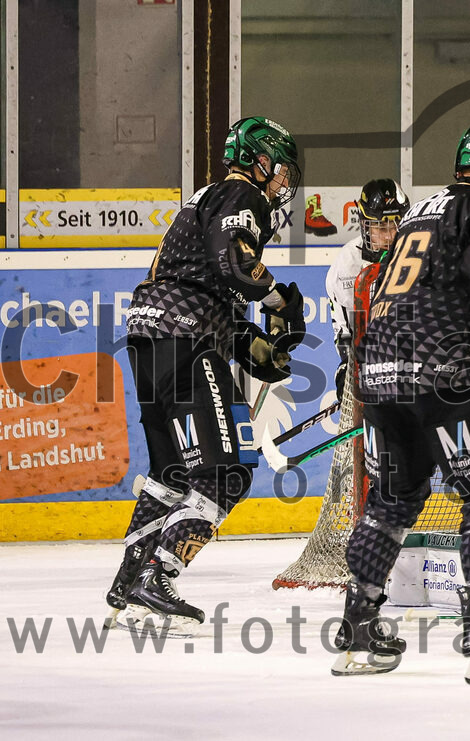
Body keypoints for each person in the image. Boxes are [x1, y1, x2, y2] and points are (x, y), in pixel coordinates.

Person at [332, 122, 470, 684]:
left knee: (392, 498)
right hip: (442, 368)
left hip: (377, 370)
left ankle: (358, 630)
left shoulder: (422, 208)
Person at [105, 116, 307, 634]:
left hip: (150, 333)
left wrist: (250, 343)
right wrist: (279, 298)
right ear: (260, 162)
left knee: (172, 471)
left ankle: (128, 582)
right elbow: (232, 263)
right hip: (185, 335)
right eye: (281, 172)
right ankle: (159, 571)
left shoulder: (206, 196)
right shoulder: (243, 196)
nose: (282, 185)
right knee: (225, 473)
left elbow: (202, 280)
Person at [325, 178, 410, 403]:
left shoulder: (417, 255)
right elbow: (345, 332)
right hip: (371, 364)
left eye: (395, 225)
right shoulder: (346, 266)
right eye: (381, 227)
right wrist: (347, 369)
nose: (390, 236)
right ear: (365, 224)